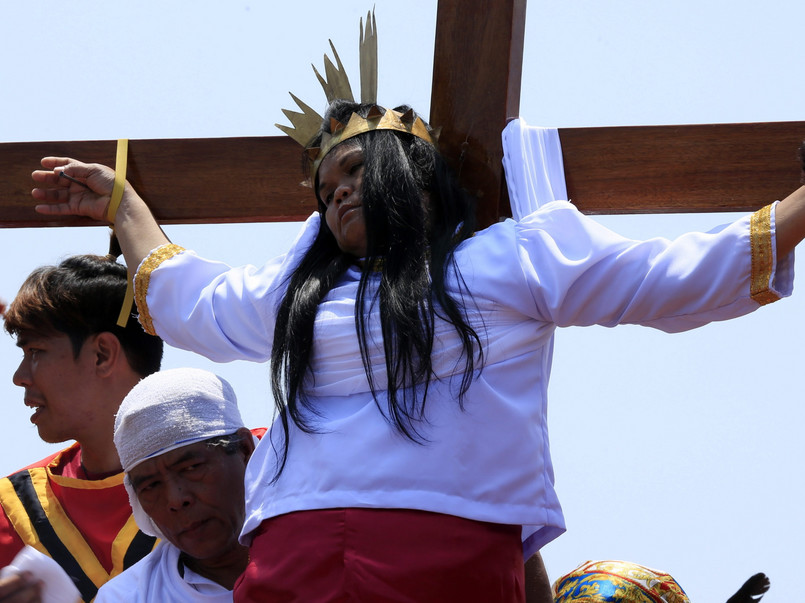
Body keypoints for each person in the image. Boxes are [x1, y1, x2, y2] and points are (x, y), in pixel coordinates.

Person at [26, 34, 805, 603]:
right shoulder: (299, 295)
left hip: (441, 553)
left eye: (358, 171)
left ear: (420, 182)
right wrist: (123, 204)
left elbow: (661, 277)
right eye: (326, 188)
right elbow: (194, 297)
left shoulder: (504, 260)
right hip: (292, 559)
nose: (337, 193)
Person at [0, 254, 163, 602]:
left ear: (102, 354)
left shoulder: (248, 473)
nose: (19, 377)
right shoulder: (9, 512)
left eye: (36, 351)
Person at [95, 368, 259, 602]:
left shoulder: (319, 550)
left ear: (245, 451)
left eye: (191, 468)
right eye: (151, 486)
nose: (175, 499)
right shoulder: (126, 597)